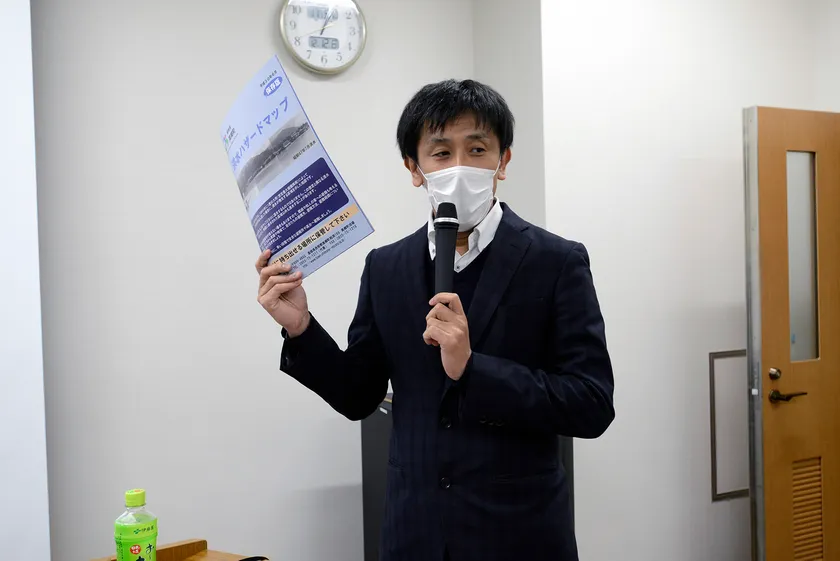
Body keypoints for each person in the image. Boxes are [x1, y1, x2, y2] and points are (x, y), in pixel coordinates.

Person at [255, 79, 614, 561]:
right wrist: (301, 327)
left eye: (478, 149)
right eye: (441, 153)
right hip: (413, 535)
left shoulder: (557, 261)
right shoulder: (386, 266)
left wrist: (472, 368)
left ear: (503, 161)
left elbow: (591, 403)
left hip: (518, 536)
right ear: (414, 168)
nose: (459, 166)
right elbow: (358, 396)